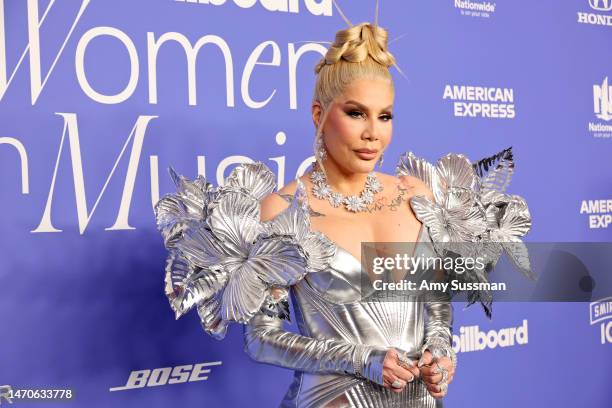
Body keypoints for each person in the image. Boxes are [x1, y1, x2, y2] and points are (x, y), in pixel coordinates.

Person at [154, 11, 532, 408]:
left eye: (384, 116)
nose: (373, 132)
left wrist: (440, 351)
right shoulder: (283, 209)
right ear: (319, 115)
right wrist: (362, 360)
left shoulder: (417, 195)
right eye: (356, 113)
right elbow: (261, 337)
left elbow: (434, 303)